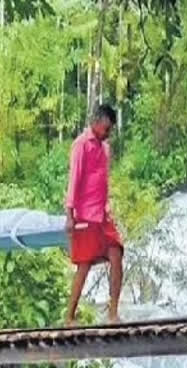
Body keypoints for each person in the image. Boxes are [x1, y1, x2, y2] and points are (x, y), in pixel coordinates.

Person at [65, 104, 124, 326]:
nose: (108, 133)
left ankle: (113, 312)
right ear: (96, 122)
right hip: (85, 215)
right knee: (84, 265)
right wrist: (70, 214)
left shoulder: (105, 149)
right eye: (106, 128)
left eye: (110, 130)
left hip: (102, 214)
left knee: (117, 253)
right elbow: (74, 180)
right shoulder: (81, 145)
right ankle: (69, 316)